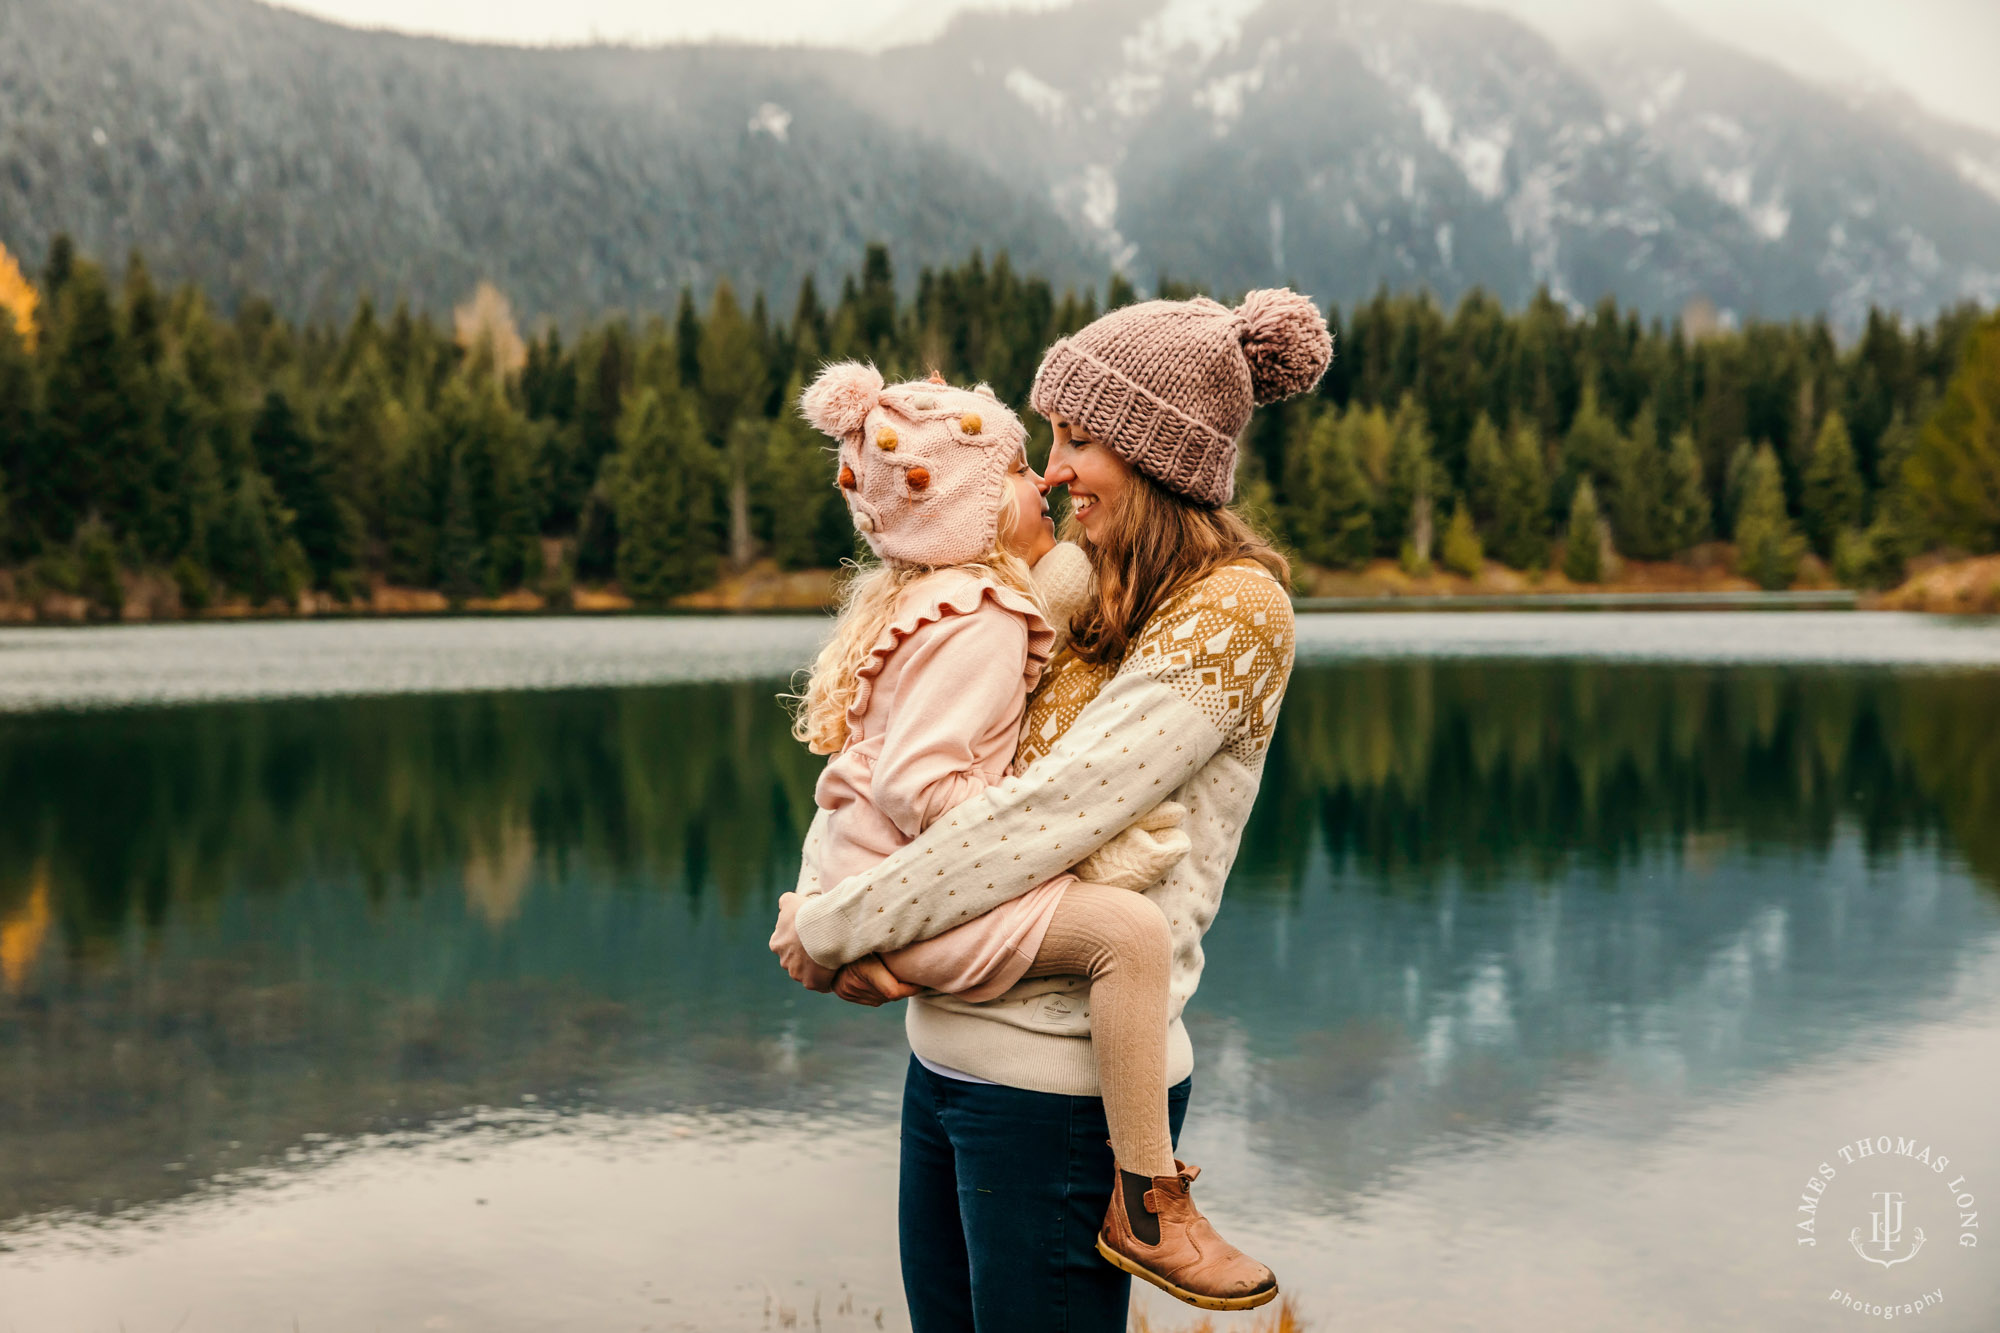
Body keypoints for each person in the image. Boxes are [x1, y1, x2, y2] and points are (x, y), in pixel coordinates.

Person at [771, 287, 1330, 1330]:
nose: (1055, 467)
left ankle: (1151, 1198)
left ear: (1154, 452)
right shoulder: (1071, 581)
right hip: (940, 1062)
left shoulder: (1234, 613)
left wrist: (834, 928)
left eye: (1077, 441)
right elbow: (893, 744)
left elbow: (1039, 819)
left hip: (1061, 1096)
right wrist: (822, 888)